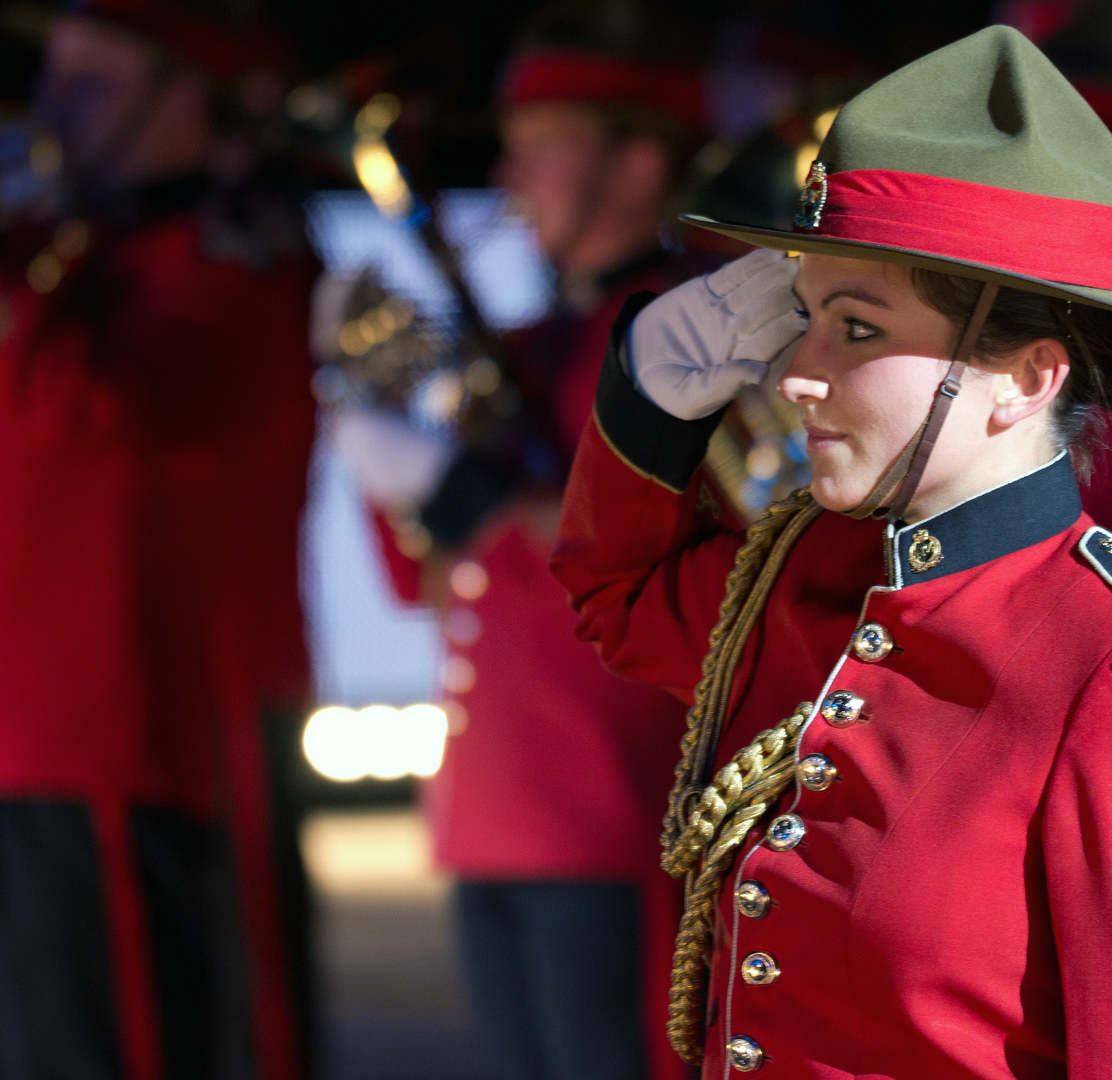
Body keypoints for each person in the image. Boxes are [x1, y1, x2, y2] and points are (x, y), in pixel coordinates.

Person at [551, 26, 1112, 1078]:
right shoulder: (806, 573)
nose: (794, 373)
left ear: (1027, 379)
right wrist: (652, 380)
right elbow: (612, 594)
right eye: (800, 315)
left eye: (853, 329)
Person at [0, 4, 316, 1079]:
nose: (51, 106)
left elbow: (98, 411)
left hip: (76, 748)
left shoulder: (235, 256)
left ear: (192, 97)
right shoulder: (52, 256)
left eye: (93, 80)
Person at [355, 9, 718, 1080]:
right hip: (496, 804)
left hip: (605, 799)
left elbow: (656, 550)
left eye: (545, 141)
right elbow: (421, 580)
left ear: (639, 160)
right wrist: (377, 449)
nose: (510, 171)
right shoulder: (529, 340)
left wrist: (466, 491)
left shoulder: (686, 332)